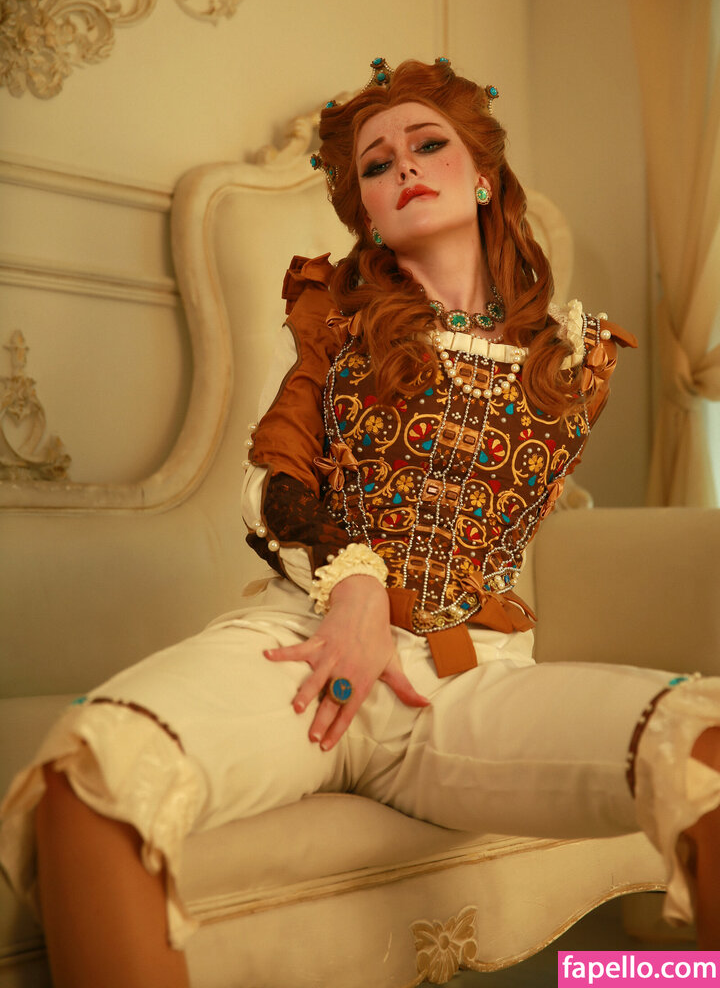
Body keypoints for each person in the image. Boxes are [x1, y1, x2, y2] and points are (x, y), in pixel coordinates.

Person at [2, 57, 720, 988]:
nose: (404, 166)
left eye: (428, 145)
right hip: (308, 646)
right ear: (367, 212)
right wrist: (358, 589)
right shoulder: (334, 326)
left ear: (483, 175)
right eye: (377, 164)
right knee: (88, 779)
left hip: (469, 681)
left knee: (705, 749)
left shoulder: (574, 359)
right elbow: (274, 484)